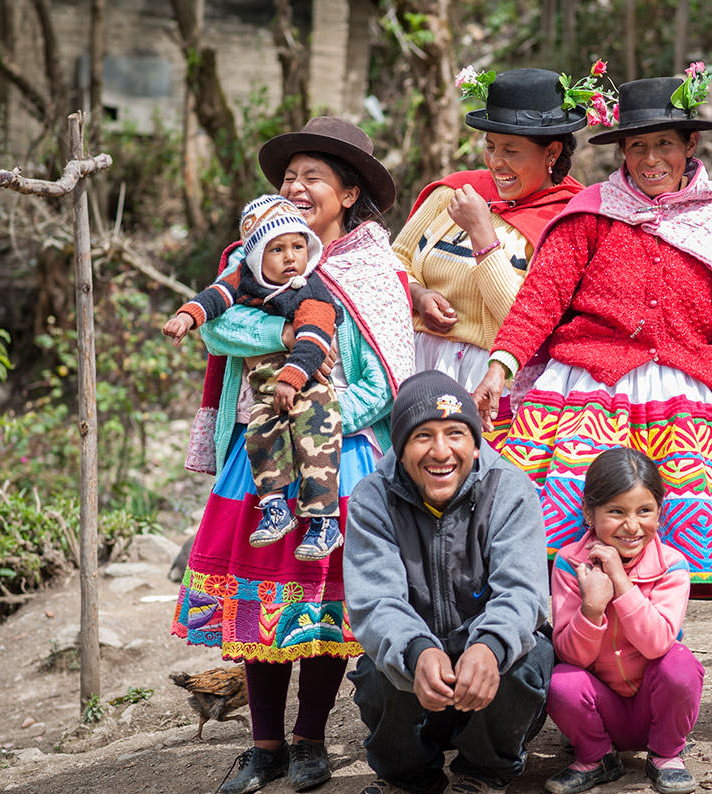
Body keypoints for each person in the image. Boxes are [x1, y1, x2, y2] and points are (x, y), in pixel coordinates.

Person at [171, 116, 415, 794]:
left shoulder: (373, 273)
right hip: (259, 454)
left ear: (349, 192)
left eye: (313, 177)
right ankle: (264, 745)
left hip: (340, 455)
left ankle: (310, 740)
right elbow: (217, 328)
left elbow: (388, 381)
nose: (296, 188)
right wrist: (291, 326)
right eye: (288, 178)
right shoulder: (251, 260)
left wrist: (323, 411)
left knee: (323, 601)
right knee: (261, 595)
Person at [473, 71, 712, 597]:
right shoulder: (592, 213)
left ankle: (654, 654)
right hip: (589, 393)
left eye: (664, 144)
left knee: (665, 556)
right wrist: (501, 366)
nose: (651, 159)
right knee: (568, 546)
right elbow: (540, 299)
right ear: (622, 152)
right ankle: (571, 654)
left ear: (691, 145)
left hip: (681, 400)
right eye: (638, 147)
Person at [343, 370, 553, 794]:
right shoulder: (372, 497)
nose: (441, 451)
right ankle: (409, 778)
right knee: (376, 672)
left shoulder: (511, 489)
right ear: (400, 451)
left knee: (530, 660)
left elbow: (522, 591)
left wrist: (489, 646)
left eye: (456, 433)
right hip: (420, 682)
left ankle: (483, 773)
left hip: (487, 678)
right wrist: (418, 652)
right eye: (423, 437)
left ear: (475, 445)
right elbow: (376, 602)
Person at [394, 68, 586, 445]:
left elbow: (525, 321)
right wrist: (418, 295)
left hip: (495, 382)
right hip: (418, 366)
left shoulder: (566, 220)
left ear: (552, 152)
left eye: (511, 151)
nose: (496, 162)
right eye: (491, 146)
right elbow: (395, 260)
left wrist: (483, 234)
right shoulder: (454, 193)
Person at [164, 194, 345, 560]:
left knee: (316, 444)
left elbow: (314, 337)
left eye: (298, 245)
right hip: (266, 393)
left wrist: (291, 378)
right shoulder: (246, 278)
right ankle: (275, 507)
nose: (291, 256)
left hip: (308, 387)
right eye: (277, 249)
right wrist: (187, 316)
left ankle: (323, 520)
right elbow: (216, 297)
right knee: (260, 437)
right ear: (257, 255)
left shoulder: (309, 289)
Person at [545, 447, 703, 794]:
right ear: (590, 512)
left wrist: (621, 582)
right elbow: (573, 657)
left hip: (654, 710)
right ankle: (597, 757)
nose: (632, 526)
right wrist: (591, 608)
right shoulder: (571, 565)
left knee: (680, 663)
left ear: (659, 513)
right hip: (599, 714)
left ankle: (666, 754)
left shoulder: (671, 566)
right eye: (616, 512)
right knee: (561, 681)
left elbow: (657, 642)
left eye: (644, 511)